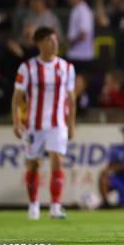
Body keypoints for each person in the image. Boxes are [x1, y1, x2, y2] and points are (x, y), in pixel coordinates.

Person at [11, 26, 76, 220]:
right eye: (49, 40)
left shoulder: (66, 67)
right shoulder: (27, 68)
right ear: (39, 43)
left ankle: (55, 206)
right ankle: (33, 206)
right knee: (34, 165)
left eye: (55, 40)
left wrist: (71, 123)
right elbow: (16, 99)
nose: (54, 43)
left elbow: (71, 99)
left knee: (57, 161)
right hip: (33, 124)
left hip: (58, 124)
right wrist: (16, 122)